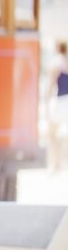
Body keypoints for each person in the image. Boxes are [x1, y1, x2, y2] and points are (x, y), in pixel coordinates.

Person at [48, 41, 68, 172]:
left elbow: (51, 83)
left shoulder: (56, 63)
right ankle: (63, 163)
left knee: (52, 134)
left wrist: (47, 98)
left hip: (59, 101)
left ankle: (56, 164)